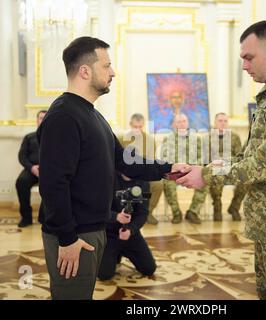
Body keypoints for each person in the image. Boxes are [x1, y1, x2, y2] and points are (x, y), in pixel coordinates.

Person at [37, 36, 187, 300]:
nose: (113, 72)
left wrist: (167, 168)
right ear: (85, 71)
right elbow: (53, 184)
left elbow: (123, 159)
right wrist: (67, 239)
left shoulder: (91, 114)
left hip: (93, 228)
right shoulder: (63, 116)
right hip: (76, 235)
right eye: (106, 65)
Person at [177, 21, 266, 300]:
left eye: (248, 57)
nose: (243, 65)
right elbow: (248, 157)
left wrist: (206, 175)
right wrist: (204, 168)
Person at [98, 173, 156, 280]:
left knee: (149, 269)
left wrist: (130, 230)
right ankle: (116, 254)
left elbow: (142, 213)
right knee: (104, 274)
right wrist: (116, 217)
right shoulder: (108, 177)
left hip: (130, 233)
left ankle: (121, 251)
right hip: (109, 233)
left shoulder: (143, 181)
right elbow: (98, 208)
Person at [162, 113, 207, 224]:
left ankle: (193, 212)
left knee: (205, 180)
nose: (182, 124)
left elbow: (202, 156)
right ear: (174, 124)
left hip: (192, 170)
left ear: (188, 123)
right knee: (167, 183)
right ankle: (176, 213)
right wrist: (176, 166)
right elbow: (164, 157)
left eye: (184, 121)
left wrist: (192, 167)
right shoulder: (168, 139)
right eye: (179, 121)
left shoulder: (196, 138)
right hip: (175, 171)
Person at [118, 113, 163, 225]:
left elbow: (151, 161)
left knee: (158, 184)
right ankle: (121, 213)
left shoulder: (149, 140)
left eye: (140, 127)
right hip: (124, 173)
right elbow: (117, 159)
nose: (137, 129)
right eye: (135, 127)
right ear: (130, 125)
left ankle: (147, 213)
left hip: (143, 172)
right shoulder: (121, 138)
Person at [204, 113, 246, 221]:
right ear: (215, 123)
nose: (223, 123)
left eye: (225, 121)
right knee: (216, 180)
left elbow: (239, 156)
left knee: (245, 181)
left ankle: (234, 208)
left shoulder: (235, 137)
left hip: (231, 168)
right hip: (215, 169)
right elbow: (206, 159)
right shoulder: (208, 138)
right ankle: (217, 208)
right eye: (220, 121)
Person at [15, 110, 47, 228]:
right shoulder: (29, 137)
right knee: (21, 182)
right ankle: (26, 217)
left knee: (55, 185)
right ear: (37, 120)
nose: (42, 120)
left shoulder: (55, 137)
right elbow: (22, 156)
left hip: (49, 170)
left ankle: (46, 217)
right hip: (32, 169)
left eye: (45, 118)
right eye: (40, 118)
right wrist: (32, 168)